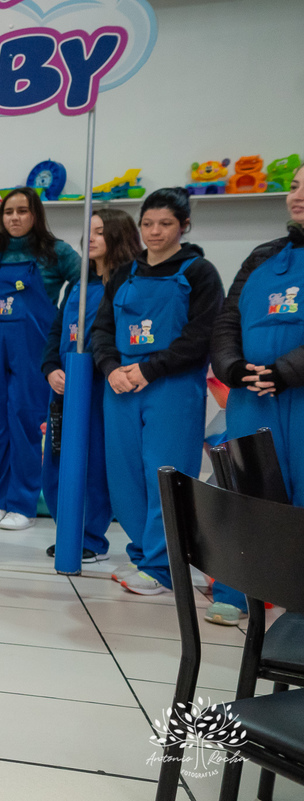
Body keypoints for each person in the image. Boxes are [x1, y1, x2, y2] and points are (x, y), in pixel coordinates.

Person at [90, 187, 224, 595]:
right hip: (121, 388)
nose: (155, 232)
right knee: (126, 475)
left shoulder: (199, 273)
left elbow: (200, 336)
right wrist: (111, 368)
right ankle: (143, 556)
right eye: (148, 223)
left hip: (171, 387)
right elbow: (102, 329)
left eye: (165, 224)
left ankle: (165, 567)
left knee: (164, 474)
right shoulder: (126, 272)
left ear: (183, 226)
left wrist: (148, 369)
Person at [207, 163, 304, 625]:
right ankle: (235, 589)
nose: (298, 195)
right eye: (296, 185)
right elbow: (227, 320)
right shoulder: (262, 255)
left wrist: (286, 371)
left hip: (300, 399)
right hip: (251, 398)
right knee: (246, 494)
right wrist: (234, 368)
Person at [0, 187, 80, 531]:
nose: (15, 217)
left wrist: (64, 326)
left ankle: (23, 505)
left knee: (25, 425)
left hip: (34, 351)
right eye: (9, 212)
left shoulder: (56, 253)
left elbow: (87, 284)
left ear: (35, 215)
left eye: (22, 211)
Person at [41, 208, 140, 562]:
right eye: (90, 231)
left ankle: (91, 538)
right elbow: (56, 331)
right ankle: (67, 527)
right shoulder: (77, 283)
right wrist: (51, 367)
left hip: (101, 388)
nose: (92, 238)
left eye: (100, 231)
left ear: (118, 235)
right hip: (65, 386)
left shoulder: (129, 283)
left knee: (95, 463)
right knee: (57, 461)